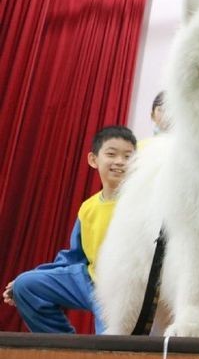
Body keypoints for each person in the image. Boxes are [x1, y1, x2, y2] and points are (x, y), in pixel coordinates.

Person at [2, 126, 137, 333]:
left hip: (122, 290)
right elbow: (74, 256)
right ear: (93, 159)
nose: (120, 161)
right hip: (90, 280)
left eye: (128, 156)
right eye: (111, 154)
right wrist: (32, 276)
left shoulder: (140, 204)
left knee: (112, 347)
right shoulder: (88, 208)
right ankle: (68, 347)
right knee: (26, 285)